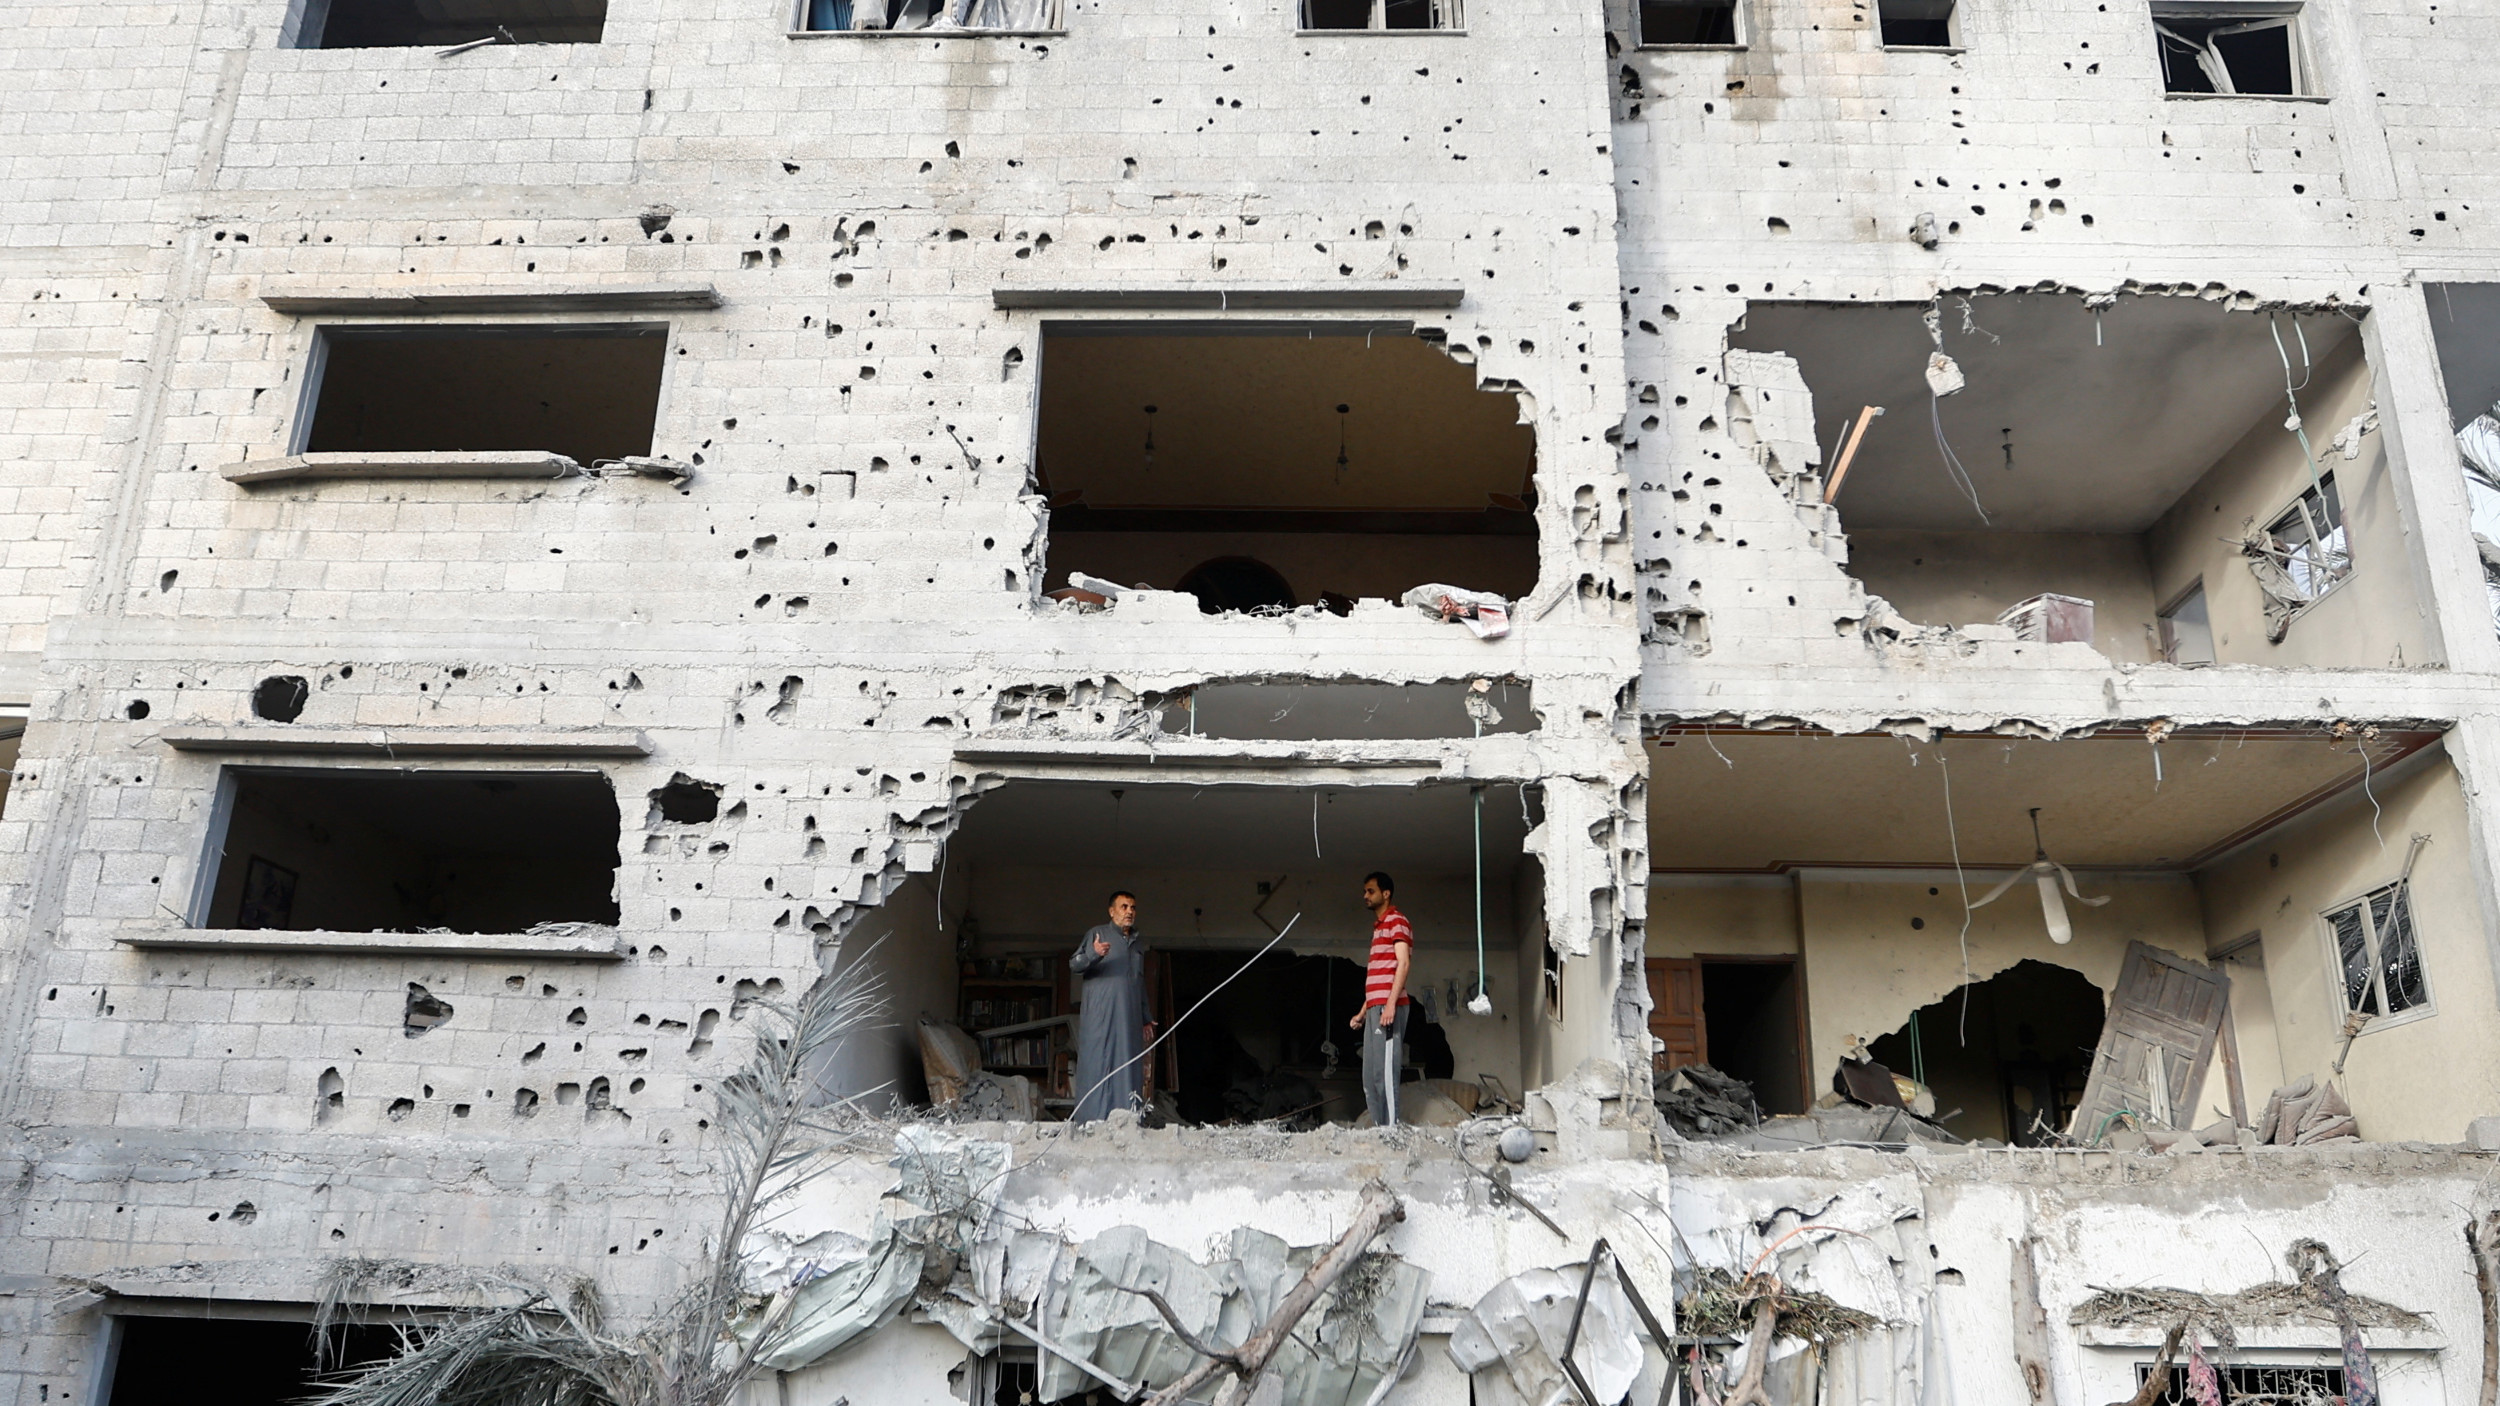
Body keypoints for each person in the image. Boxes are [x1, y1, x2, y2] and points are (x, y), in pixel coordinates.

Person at [1069, 890, 1152, 1123]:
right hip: (1101, 1015)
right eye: (1124, 907)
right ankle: (1091, 1120)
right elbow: (1075, 965)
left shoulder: (1137, 944)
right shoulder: (1097, 934)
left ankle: (1127, 1120)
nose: (1129, 912)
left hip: (1129, 1017)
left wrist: (1146, 1017)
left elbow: (1139, 980)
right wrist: (1093, 954)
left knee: (1128, 1064)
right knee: (1098, 1062)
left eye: (1133, 908)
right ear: (1112, 911)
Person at [1350, 872, 1411, 1127]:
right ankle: (1378, 1128)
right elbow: (1378, 980)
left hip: (1389, 1008)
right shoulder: (1379, 928)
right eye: (1365, 891)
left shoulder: (1396, 921)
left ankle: (1390, 1130)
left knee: (1385, 1075)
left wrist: (1389, 1005)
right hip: (1376, 1007)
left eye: (1371, 891)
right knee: (1370, 1076)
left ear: (1386, 894)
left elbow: (1404, 963)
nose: (1366, 896)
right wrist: (1363, 1012)